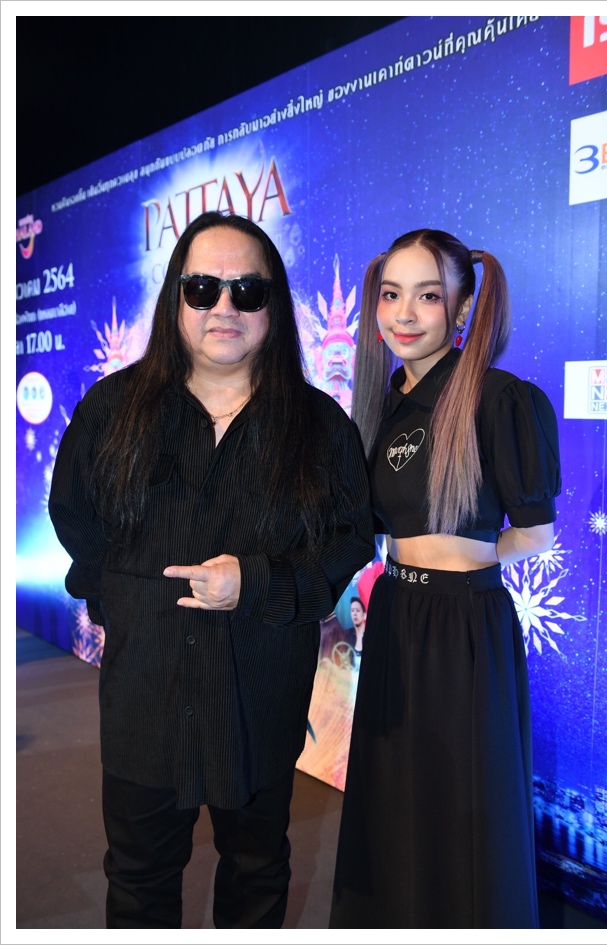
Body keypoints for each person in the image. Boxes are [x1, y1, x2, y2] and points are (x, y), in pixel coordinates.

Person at [48, 211, 374, 929]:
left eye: (246, 291)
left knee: (256, 874)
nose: (224, 306)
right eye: (203, 288)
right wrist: (125, 605)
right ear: (177, 299)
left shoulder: (320, 426)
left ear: (272, 306)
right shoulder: (111, 410)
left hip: (259, 696)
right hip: (145, 701)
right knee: (138, 880)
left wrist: (257, 582)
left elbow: (348, 539)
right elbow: (74, 515)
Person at [330, 229, 561, 929]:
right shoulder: (380, 405)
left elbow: (536, 535)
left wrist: (463, 560)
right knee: (395, 800)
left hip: (465, 627)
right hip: (395, 616)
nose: (404, 314)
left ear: (461, 309)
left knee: (465, 809)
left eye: (428, 296)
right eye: (390, 295)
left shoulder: (500, 399)